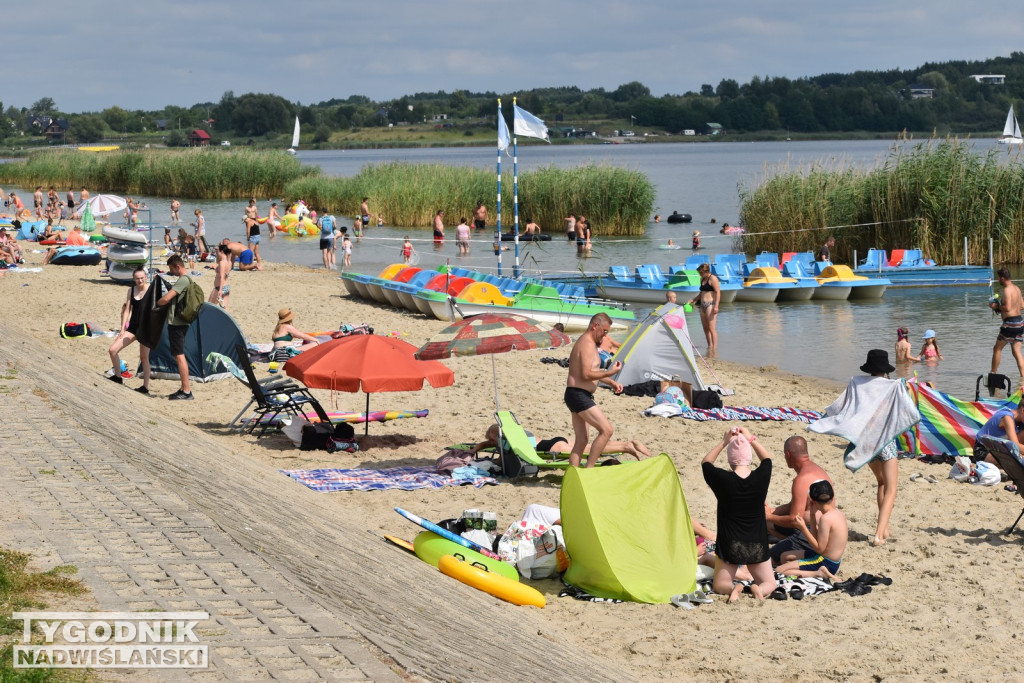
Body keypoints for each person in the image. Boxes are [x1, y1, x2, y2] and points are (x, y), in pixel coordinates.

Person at [810, 349, 917, 547]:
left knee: (881, 483)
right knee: (892, 488)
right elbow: (908, 410)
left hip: (865, 442)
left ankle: (884, 528)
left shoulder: (857, 383)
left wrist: (826, 419)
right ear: (885, 369)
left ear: (869, 367)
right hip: (884, 442)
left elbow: (842, 406)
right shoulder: (892, 385)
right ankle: (879, 534)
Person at [701, 426, 776, 602]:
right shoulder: (761, 477)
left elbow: (706, 463)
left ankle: (736, 586)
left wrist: (724, 441)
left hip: (730, 543)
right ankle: (757, 588)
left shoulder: (723, 480)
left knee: (720, 585)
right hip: (756, 542)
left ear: (730, 459)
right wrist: (750, 438)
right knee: (770, 583)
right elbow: (767, 459)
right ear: (749, 458)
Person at [565, 313, 624, 468]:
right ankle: (589, 470)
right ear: (595, 326)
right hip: (578, 394)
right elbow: (586, 375)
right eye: (604, 331)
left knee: (582, 440)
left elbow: (593, 371)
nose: (605, 336)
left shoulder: (589, 343)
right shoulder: (587, 343)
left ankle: (573, 474)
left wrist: (610, 382)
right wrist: (610, 373)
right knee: (606, 430)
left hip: (577, 394)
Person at [765, 435, 834, 564]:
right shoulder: (817, 470)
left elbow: (794, 519)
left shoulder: (801, 479)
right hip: (824, 531)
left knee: (767, 560)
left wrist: (768, 516)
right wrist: (772, 511)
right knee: (768, 524)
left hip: (809, 534)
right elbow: (797, 505)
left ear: (788, 454)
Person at [775, 480, 847, 579]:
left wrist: (803, 528)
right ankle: (806, 573)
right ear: (832, 497)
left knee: (779, 571)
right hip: (832, 562)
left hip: (824, 562)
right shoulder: (837, 513)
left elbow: (819, 548)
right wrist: (812, 515)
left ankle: (818, 574)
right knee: (785, 557)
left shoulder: (825, 519)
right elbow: (817, 541)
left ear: (813, 502)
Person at [472, 423, 650, 461]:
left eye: (491, 439)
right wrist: (480, 446)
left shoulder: (507, 443)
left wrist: (489, 457)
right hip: (556, 440)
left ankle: (626, 447)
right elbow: (490, 443)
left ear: (496, 436)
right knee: (589, 446)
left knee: (589, 451)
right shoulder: (517, 432)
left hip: (553, 447)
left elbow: (505, 458)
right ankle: (626, 444)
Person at [155, 255, 195, 400]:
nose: (171, 271)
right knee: (178, 354)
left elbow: (166, 298)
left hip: (178, 323)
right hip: (181, 322)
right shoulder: (187, 280)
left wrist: (156, 304)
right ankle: (184, 389)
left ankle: (186, 391)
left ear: (178, 266)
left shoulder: (183, 280)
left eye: (171, 269)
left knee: (179, 355)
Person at [107, 267, 151, 392]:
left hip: (145, 329)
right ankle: (118, 376)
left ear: (146, 277)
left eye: (142, 278)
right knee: (113, 350)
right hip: (132, 328)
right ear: (134, 279)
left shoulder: (151, 289)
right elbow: (127, 310)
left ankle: (145, 387)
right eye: (137, 278)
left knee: (144, 358)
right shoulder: (131, 290)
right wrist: (122, 329)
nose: (140, 280)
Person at [991, 268, 1024, 378]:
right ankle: (1023, 378)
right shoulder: (1017, 288)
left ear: (1002, 278)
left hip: (1010, 324)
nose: (998, 281)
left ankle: (993, 375)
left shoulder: (1007, 290)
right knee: (1016, 351)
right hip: (1020, 322)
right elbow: (1022, 306)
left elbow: (1008, 308)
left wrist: (996, 306)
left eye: (999, 278)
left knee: (997, 349)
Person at [972, 400, 1024, 467]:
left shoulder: (1020, 421)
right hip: (984, 450)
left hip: (1001, 447)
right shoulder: (1007, 418)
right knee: (1014, 460)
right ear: (1023, 410)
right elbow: (1015, 446)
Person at [689, 263, 720, 356]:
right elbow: (702, 293)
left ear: (706, 272)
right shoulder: (702, 279)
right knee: (705, 328)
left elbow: (718, 292)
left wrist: (716, 306)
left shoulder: (713, 278)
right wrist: (693, 300)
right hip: (702, 305)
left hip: (711, 304)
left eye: (701, 273)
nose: (700, 274)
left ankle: (714, 349)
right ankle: (709, 346)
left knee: (711, 328)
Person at [208, 244, 232, 308]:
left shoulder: (222, 262)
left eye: (218, 251)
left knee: (210, 306)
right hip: (226, 287)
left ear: (221, 251)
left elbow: (222, 276)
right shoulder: (229, 262)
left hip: (220, 287)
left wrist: (220, 290)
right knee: (225, 308)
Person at [244, 199, 262, 264]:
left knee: (251, 251)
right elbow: (246, 214)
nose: (252, 203)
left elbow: (256, 214)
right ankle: (259, 264)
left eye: (253, 202)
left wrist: (248, 237)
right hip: (251, 219)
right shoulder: (247, 208)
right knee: (256, 252)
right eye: (251, 202)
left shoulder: (255, 207)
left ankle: (250, 264)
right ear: (249, 202)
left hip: (253, 219)